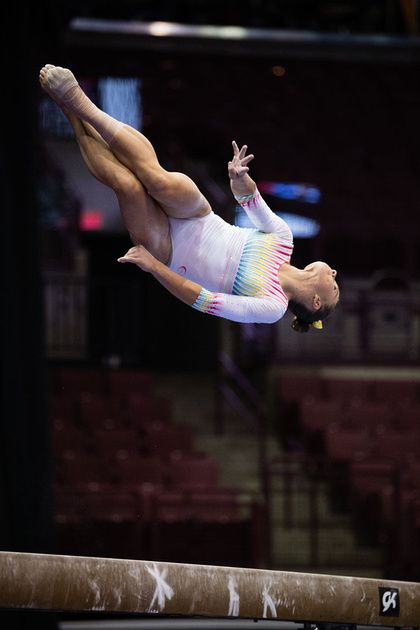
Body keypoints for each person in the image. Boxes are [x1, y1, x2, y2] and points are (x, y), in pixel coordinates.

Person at [39, 64, 339, 332]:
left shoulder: (272, 306)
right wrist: (239, 177)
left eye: (335, 287)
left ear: (315, 302)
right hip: (199, 217)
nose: (335, 274)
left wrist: (153, 266)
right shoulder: (284, 239)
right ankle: (78, 100)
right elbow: (249, 201)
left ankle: (69, 111)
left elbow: (203, 300)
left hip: (170, 252)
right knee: (155, 178)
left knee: (127, 185)